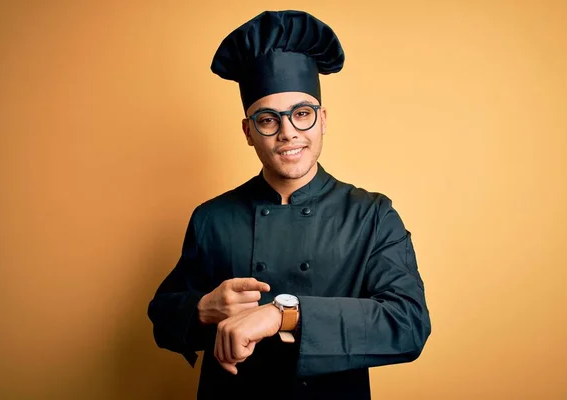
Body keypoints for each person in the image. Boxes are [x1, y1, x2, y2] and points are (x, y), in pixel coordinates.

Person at [147, 9, 431, 400]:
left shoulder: (372, 215)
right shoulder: (212, 217)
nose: (288, 133)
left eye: (302, 114)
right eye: (268, 120)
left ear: (323, 119)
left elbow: (409, 323)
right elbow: (162, 318)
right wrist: (203, 308)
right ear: (248, 131)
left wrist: (282, 314)